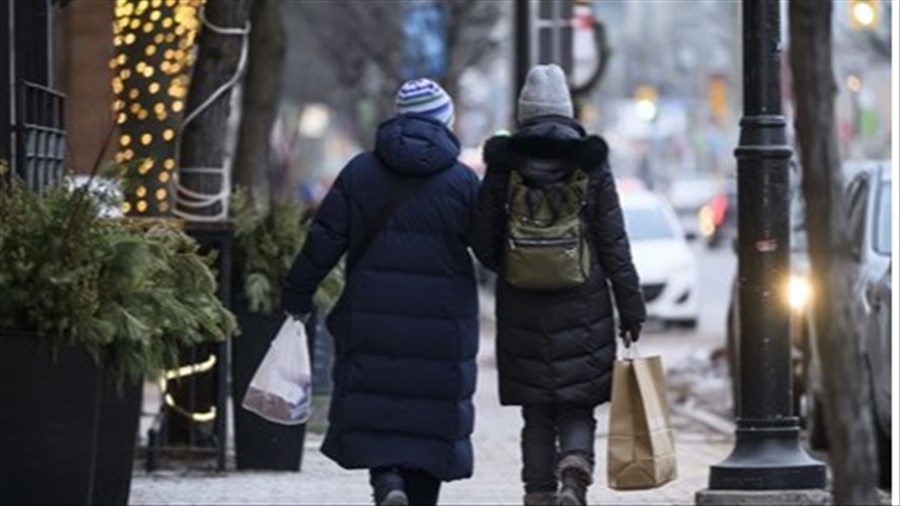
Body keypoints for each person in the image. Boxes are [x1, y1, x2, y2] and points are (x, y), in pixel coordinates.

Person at [282, 79, 481, 506]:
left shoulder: (360, 172)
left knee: (380, 410)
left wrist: (297, 293)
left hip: (372, 315)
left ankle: (388, 482)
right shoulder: (463, 182)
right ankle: (417, 493)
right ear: (444, 122)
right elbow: (492, 252)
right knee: (428, 421)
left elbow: (324, 240)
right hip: (441, 327)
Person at [470, 64, 646, 506]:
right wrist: (631, 308)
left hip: (522, 305)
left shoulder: (502, 166)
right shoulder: (590, 163)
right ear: (567, 109)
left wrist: (511, 266)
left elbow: (482, 238)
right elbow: (613, 240)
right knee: (577, 402)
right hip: (583, 302)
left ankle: (539, 493)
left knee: (537, 410)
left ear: (524, 112)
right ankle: (574, 470)